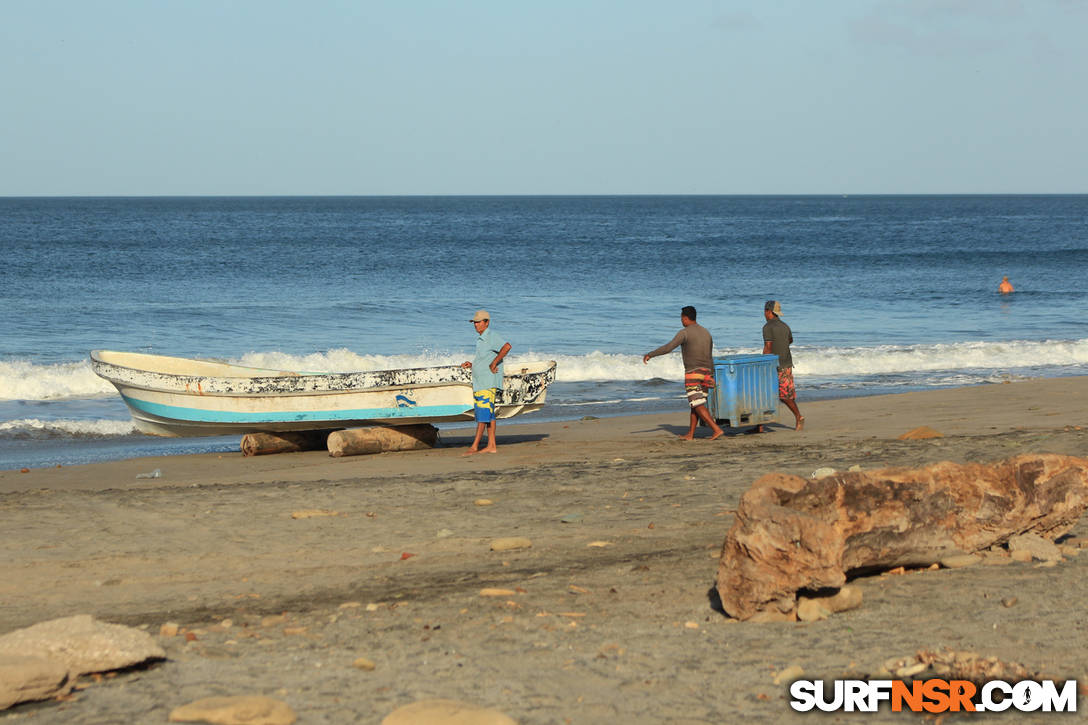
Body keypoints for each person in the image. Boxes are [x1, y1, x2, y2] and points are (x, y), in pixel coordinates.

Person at [643, 306, 725, 440]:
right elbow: (710, 355)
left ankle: (716, 429)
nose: (681, 320)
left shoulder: (684, 332)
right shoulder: (706, 332)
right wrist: (710, 375)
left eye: (681, 318)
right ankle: (690, 434)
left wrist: (650, 354)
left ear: (685, 318)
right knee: (696, 404)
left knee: (697, 403)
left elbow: (668, 347)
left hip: (693, 372)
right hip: (706, 372)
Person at [461, 309, 511, 455]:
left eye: (478, 322)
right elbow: (484, 359)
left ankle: (475, 446)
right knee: (488, 415)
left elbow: (507, 346)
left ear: (487, 322)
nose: (476, 325)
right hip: (481, 382)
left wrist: (494, 363)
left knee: (482, 417)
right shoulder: (481, 339)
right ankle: (491, 445)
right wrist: (472, 364)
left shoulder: (491, 336)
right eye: (474, 322)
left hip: (487, 383)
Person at [762, 300, 804, 431]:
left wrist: (763, 362)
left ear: (768, 311)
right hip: (787, 364)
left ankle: (798, 416)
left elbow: (768, 347)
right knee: (777, 394)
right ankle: (760, 426)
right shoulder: (785, 326)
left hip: (775, 366)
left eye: (765, 311)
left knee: (781, 396)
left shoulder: (767, 327)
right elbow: (790, 340)